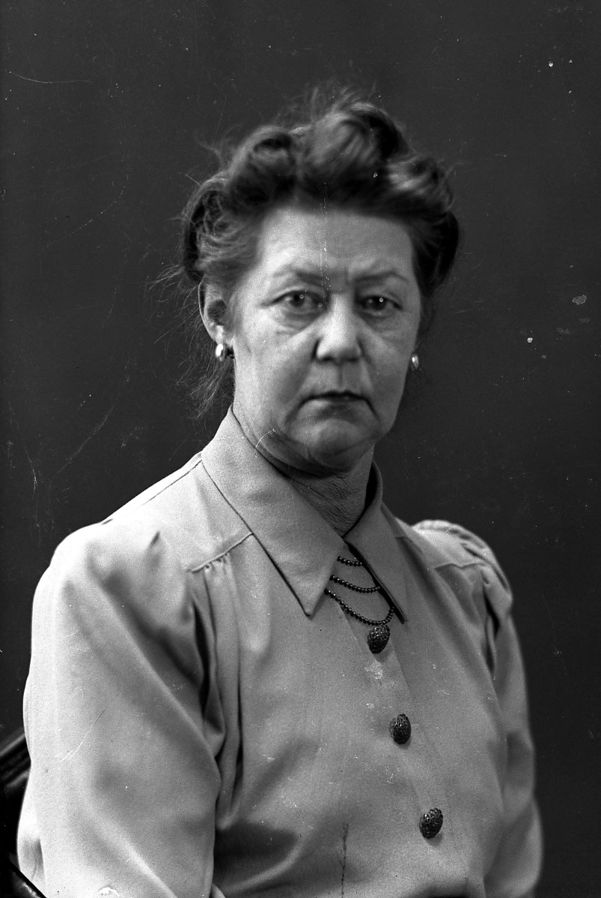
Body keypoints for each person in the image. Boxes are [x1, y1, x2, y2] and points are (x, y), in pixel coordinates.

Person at [17, 91, 542, 898]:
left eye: (379, 303)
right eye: (300, 300)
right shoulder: (129, 587)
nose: (342, 341)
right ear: (220, 316)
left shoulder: (466, 593)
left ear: (414, 333)